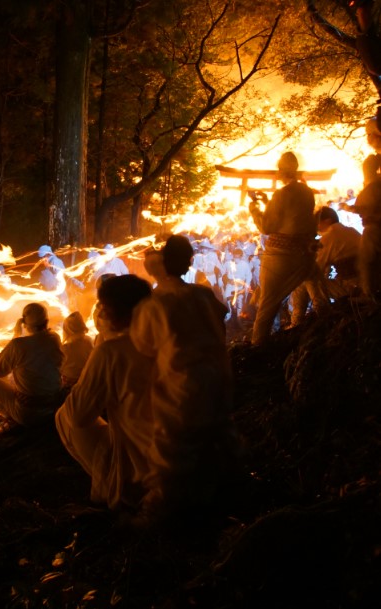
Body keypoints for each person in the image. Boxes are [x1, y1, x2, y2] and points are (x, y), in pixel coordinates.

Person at [130, 235, 238, 523]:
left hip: (181, 385)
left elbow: (142, 347)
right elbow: (222, 315)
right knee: (216, 435)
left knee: (175, 445)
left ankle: (166, 513)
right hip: (218, 378)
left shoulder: (154, 304)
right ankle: (218, 498)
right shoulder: (202, 294)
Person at [55, 275, 154, 510]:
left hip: (148, 469)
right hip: (189, 455)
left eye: (103, 307)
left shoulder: (111, 351)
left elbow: (79, 414)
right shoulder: (172, 335)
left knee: (64, 416)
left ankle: (112, 488)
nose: (100, 313)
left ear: (113, 313)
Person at [248, 152, 318, 344]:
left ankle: (257, 348)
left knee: (267, 307)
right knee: (318, 295)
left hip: (280, 257)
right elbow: (291, 217)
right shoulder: (307, 191)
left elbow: (267, 227)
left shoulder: (281, 194)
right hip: (304, 254)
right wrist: (267, 202)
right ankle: (327, 328)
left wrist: (254, 209)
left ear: (281, 170)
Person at [0, 302, 64, 429]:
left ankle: (10, 419)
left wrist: (16, 335)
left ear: (24, 323)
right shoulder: (55, 338)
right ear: (46, 321)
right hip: (54, 407)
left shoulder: (18, 345)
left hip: (29, 414)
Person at [356, 153, 381, 299]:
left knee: (366, 262)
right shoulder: (374, 185)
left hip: (373, 230)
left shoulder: (373, 187)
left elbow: (363, 207)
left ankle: (368, 293)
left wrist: (349, 208)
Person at [59, 311, 94, 389]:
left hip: (70, 382)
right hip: (86, 379)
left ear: (68, 331)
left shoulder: (66, 348)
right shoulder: (89, 340)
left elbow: (60, 367)